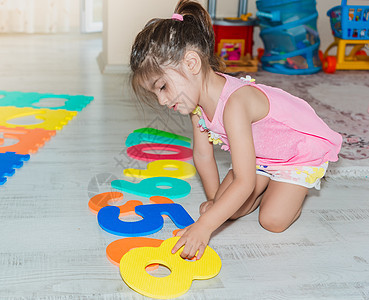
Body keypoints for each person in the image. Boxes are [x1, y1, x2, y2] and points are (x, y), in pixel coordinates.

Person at [129, 0, 342, 260]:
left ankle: (293, 190)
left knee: (272, 220)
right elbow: (203, 156)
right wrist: (216, 202)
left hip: (295, 153)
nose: (162, 101)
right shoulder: (195, 105)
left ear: (192, 64)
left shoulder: (235, 103)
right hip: (261, 156)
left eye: (162, 87)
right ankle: (267, 185)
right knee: (227, 208)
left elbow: (244, 181)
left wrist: (205, 227)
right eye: (155, 93)